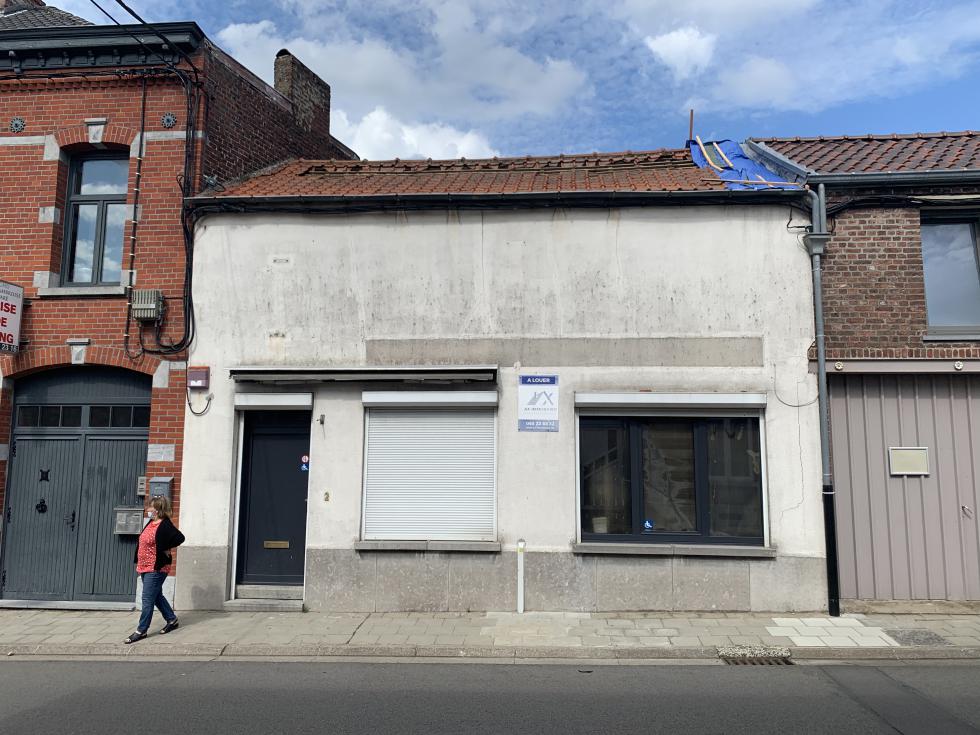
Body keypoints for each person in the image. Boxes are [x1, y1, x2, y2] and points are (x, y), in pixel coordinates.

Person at [124, 495, 185, 644]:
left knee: (147, 598)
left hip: (156, 568)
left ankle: (141, 630)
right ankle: (172, 619)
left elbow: (180, 538)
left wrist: (166, 548)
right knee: (156, 596)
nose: (148, 509)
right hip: (145, 566)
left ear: (157, 509)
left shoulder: (165, 524)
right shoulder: (151, 522)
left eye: (150, 507)